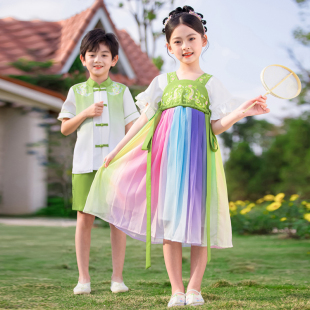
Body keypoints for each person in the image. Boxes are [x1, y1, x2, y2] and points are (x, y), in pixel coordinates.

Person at [83, 6, 269, 307]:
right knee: (169, 225)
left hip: (199, 163)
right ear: (169, 47)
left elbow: (216, 127)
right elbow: (144, 121)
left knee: (198, 226)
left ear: (203, 40)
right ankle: (176, 290)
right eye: (178, 41)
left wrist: (240, 112)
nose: (186, 46)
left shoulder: (211, 84)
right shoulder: (161, 83)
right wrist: (116, 151)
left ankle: (195, 289)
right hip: (167, 163)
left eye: (191, 39)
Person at [57, 29, 140, 295]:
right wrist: (85, 113)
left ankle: (117, 278)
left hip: (115, 166)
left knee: (117, 221)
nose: (98, 60)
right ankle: (83, 279)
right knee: (84, 219)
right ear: (83, 59)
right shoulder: (76, 91)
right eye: (92, 55)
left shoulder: (122, 91)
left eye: (104, 55)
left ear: (114, 60)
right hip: (84, 164)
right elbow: (65, 128)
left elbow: (133, 126)